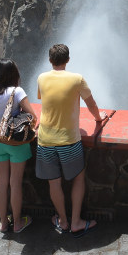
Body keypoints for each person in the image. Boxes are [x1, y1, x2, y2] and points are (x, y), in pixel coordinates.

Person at [36, 43, 103, 237]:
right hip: (69, 141)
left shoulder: (41, 78)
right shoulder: (77, 79)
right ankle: (76, 222)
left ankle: (62, 221)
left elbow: (48, 101)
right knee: (79, 179)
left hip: (45, 140)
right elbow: (91, 104)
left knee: (54, 184)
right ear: (68, 60)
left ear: (50, 60)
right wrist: (99, 119)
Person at [0, 59, 39, 234]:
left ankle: (3, 223)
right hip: (16, 142)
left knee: (2, 183)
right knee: (15, 183)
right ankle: (17, 223)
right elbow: (33, 116)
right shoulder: (16, 92)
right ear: (14, 74)